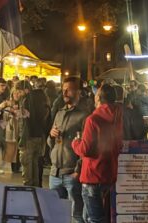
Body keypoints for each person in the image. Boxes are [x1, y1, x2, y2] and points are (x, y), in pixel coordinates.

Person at [71, 84, 123, 223]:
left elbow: (85, 149)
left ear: (98, 97)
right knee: (89, 217)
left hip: (92, 176)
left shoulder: (92, 120)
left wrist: (75, 143)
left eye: (96, 93)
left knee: (94, 219)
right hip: (109, 174)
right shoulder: (118, 117)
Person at [48, 77, 89, 223]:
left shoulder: (84, 116)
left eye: (69, 89)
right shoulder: (59, 113)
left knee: (76, 215)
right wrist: (51, 135)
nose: (64, 92)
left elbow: (87, 147)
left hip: (72, 174)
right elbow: (51, 142)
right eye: (63, 89)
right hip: (55, 173)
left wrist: (78, 170)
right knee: (54, 215)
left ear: (78, 92)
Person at [16, 80, 50, 186]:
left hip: (28, 137)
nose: (18, 94)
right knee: (35, 163)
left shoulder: (27, 100)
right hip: (40, 136)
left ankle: (28, 190)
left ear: (25, 89)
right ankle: (36, 188)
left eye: (19, 91)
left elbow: (25, 122)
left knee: (26, 165)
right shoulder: (42, 98)